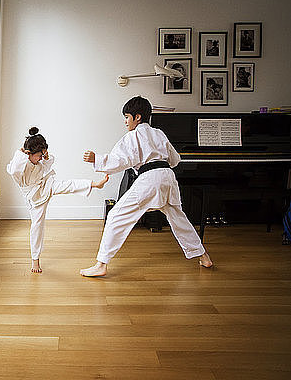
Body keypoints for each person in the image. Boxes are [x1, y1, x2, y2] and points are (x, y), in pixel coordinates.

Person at [79, 96, 213, 277]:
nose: (125, 121)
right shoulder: (159, 133)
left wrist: (97, 159)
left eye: (127, 117)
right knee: (179, 220)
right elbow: (175, 160)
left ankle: (101, 264)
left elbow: (120, 160)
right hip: (168, 178)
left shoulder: (133, 136)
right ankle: (203, 256)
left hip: (150, 179)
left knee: (116, 216)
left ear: (138, 117)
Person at [7, 127, 109, 273]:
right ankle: (35, 260)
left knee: (68, 185)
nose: (41, 159)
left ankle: (94, 184)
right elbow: (14, 169)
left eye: (42, 155)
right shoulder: (19, 168)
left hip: (46, 185)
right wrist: (22, 151)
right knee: (37, 226)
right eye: (39, 156)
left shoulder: (37, 161)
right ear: (28, 154)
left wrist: (46, 156)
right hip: (35, 198)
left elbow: (45, 165)